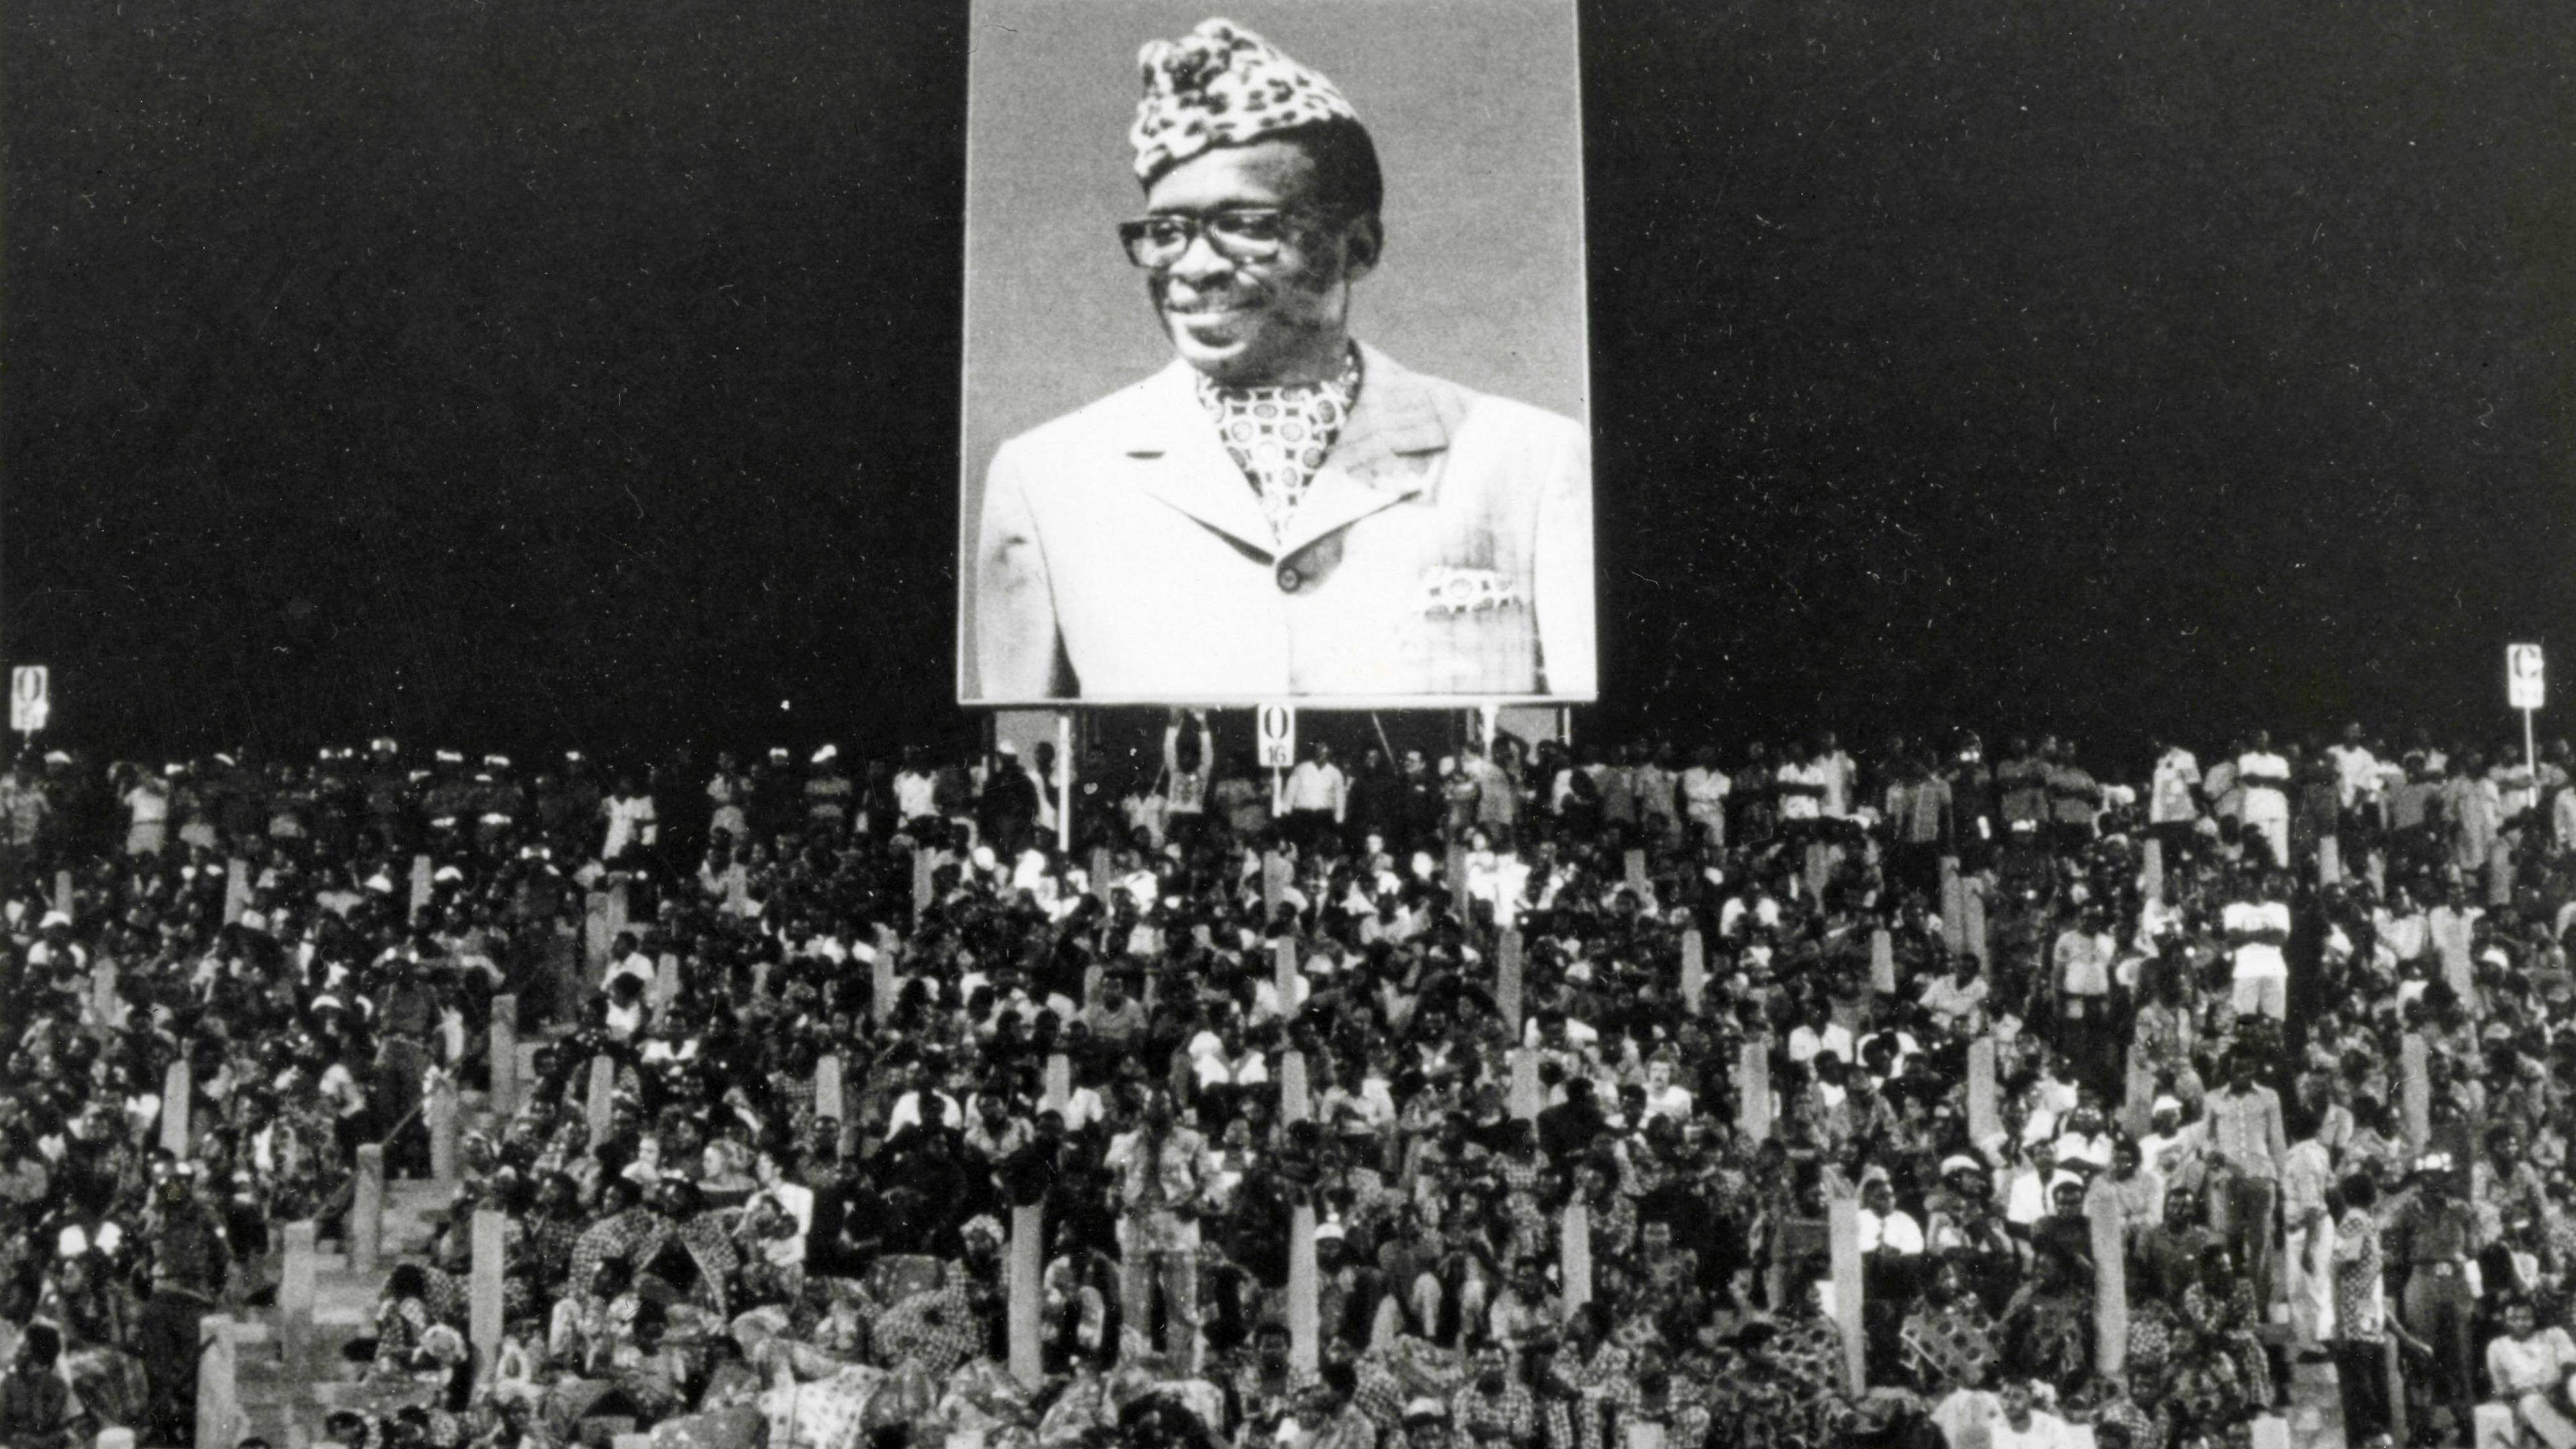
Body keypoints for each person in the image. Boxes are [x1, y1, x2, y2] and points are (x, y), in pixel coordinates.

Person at [972, 17, 1595, 700]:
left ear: (1358, 247)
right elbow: (1021, 748)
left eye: (1247, 227)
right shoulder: (1046, 478)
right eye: (1166, 232)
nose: (1197, 267)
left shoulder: (1528, 461)